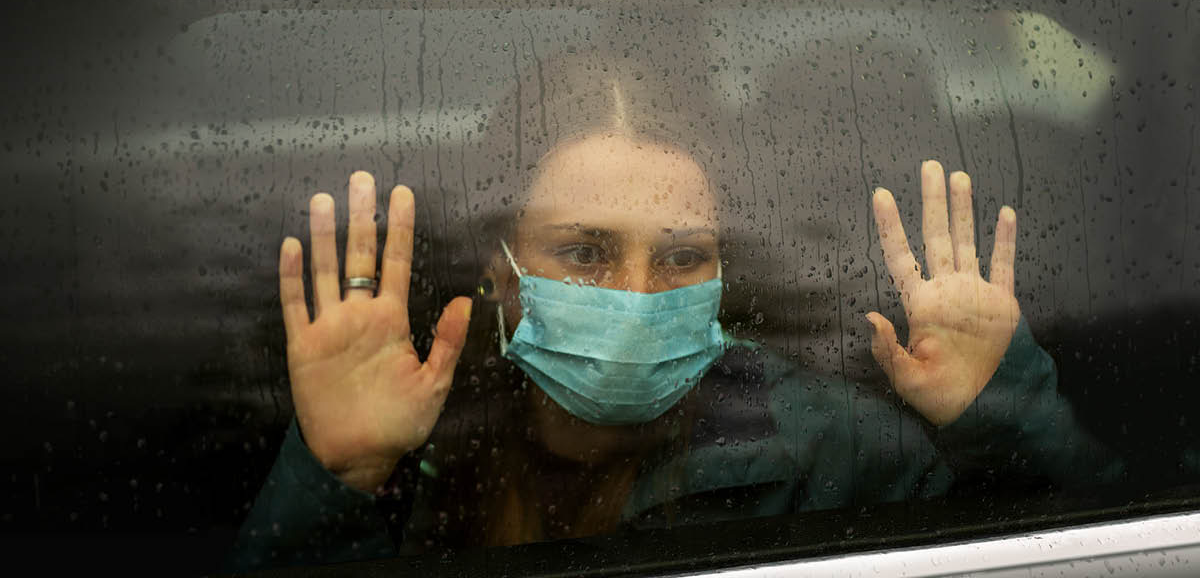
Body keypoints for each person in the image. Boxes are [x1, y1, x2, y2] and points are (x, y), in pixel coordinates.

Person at [226, 50, 1121, 572]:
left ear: (724, 274)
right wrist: (338, 479)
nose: (636, 296)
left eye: (683, 256)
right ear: (504, 271)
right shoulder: (416, 441)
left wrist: (1002, 420)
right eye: (585, 252)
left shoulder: (832, 451)